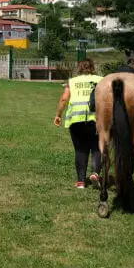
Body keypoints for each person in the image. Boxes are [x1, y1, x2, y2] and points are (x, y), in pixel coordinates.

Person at [54, 59, 102, 189]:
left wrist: (58, 115)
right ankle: (95, 174)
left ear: (79, 68)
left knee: (80, 150)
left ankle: (81, 182)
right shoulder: (101, 80)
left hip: (76, 121)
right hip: (96, 120)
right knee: (97, 148)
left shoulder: (72, 81)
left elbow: (64, 98)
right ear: (93, 67)